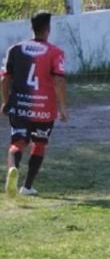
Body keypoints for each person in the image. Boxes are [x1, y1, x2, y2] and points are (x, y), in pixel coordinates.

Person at [1, 11, 68, 198]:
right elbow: (59, 81)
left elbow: (5, 79)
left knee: (17, 143)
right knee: (39, 144)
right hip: (44, 109)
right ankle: (27, 186)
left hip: (20, 105)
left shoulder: (14, 49)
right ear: (48, 30)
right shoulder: (55, 52)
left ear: (31, 28)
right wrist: (62, 107)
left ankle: (13, 168)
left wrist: (6, 102)